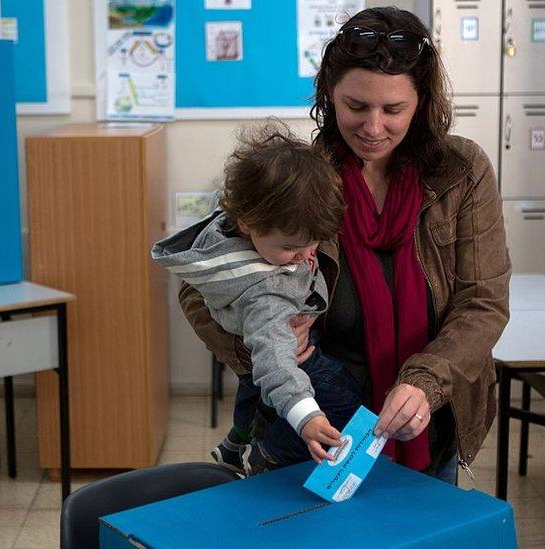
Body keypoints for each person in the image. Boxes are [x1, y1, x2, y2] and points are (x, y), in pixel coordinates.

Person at [180, 7, 511, 484]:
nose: (373, 127)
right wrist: (259, 344)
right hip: (316, 427)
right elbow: (198, 284)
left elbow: (484, 301)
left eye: (393, 110)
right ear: (328, 95)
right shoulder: (300, 178)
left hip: (428, 422)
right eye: (356, 106)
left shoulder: (460, 172)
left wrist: (424, 383)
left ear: (421, 103)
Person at [152, 124, 361, 474]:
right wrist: (306, 415)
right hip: (294, 361)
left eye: (313, 242)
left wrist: (296, 248)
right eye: (291, 247)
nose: (305, 255)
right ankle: (270, 454)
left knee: (253, 388)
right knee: (344, 396)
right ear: (248, 222)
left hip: (258, 359)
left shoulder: (226, 231)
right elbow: (276, 364)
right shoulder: (266, 292)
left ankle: (235, 442)